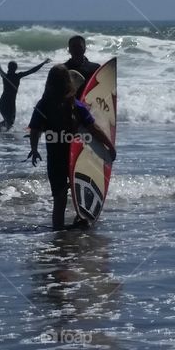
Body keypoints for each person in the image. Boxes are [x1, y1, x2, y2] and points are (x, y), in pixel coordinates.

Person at [27, 65, 116, 230]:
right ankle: (81, 219)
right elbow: (94, 129)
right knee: (81, 189)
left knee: (59, 199)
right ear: (68, 83)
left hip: (55, 157)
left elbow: (35, 130)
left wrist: (34, 149)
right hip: (78, 156)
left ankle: (58, 231)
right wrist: (109, 145)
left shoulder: (43, 105)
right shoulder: (76, 106)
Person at [0, 57, 49, 131]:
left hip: (4, 102)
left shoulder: (5, 76)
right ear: (15, 68)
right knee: (9, 123)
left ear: (9, 68)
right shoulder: (17, 76)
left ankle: (1, 131)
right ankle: (4, 136)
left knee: (9, 123)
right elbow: (31, 71)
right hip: (8, 103)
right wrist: (43, 63)